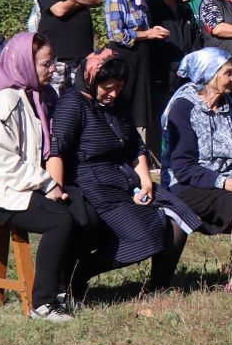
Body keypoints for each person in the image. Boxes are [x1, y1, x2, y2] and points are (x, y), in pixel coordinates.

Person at [49, 51, 199, 294]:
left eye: (119, 87)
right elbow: (56, 150)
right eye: (108, 87)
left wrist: (146, 181)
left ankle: (158, 287)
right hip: (95, 183)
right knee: (146, 235)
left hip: (126, 177)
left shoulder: (119, 103)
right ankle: (79, 273)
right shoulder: (73, 104)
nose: (114, 93)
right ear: (91, 80)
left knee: (178, 220)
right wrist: (55, 188)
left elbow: (135, 146)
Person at [0, 31, 81, 321]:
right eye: (45, 64)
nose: (52, 68)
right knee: (59, 220)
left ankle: (62, 289)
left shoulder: (38, 97)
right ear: (25, 65)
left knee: (81, 206)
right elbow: (1, 161)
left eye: (52, 62)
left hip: (20, 185)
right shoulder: (6, 101)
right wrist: (46, 184)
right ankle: (42, 303)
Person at [162, 47, 232, 296]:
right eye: (228, 72)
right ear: (210, 75)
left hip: (226, 181)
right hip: (188, 184)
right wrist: (226, 183)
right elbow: (183, 167)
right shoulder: (183, 108)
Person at [101, 0, 170, 150]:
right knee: (125, 100)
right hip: (125, 55)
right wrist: (148, 33)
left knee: (141, 105)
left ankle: (141, 150)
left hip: (141, 56)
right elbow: (116, 33)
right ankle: (121, 146)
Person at [144, 0, 201, 153]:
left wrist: (190, 61)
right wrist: (171, 63)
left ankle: (180, 154)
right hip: (161, 73)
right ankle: (157, 157)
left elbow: (196, 37)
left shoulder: (184, 9)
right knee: (159, 117)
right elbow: (150, 43)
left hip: (185, 73)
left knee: (182, 115)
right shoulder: (150, 7)